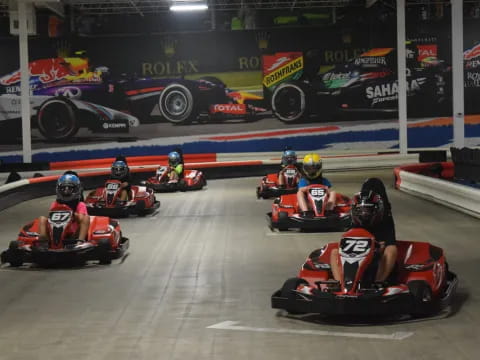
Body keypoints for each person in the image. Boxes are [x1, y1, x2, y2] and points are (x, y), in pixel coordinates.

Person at [330, 178, 397, 284]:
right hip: (356, 252)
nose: (364, 214)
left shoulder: (385, 217)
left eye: (367, 210)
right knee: (334, 252)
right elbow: (347, 238)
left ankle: (378, 282)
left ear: (376, 209)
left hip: (376, 254)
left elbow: (390, 242)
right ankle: (341, 284)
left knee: (391, 250)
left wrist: (379, 246)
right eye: (361, 210)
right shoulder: (355, 220)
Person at [38, 173, 90, 242]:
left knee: (86, 218)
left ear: (76, 189)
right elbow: (50, 218)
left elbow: (81, 218)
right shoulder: (55, 203)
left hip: (74, 233)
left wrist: (72, 214)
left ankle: (80, 241)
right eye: (63, 188)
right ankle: (43, 240)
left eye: (69, 189)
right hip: (56, 228)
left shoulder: (80, 204)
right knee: (42, 218)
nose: (66, 191)